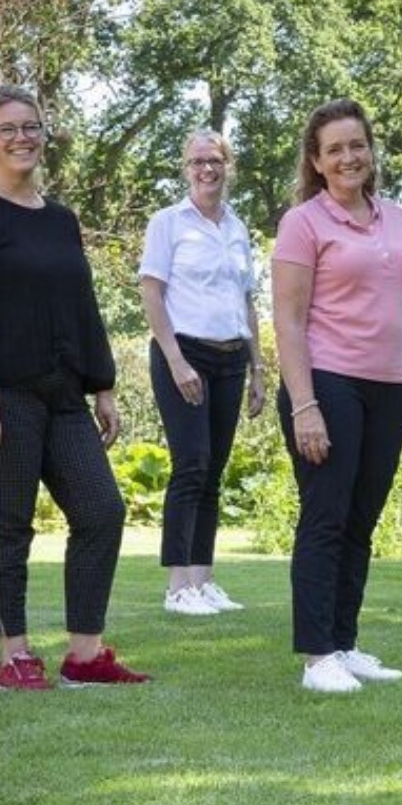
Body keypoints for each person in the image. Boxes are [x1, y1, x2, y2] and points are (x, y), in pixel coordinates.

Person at [0, 84, 148, 690]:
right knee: (12, 520)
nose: (22, 137)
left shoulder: (60, 220)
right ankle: (14, 655)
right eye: (8, 129)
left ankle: (84, 654)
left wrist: (102, 384)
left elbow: (82, 303)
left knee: (102, 510)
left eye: (31, 126)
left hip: (63, 393)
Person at [272, 98, 402, 693]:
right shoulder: (304, 222)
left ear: (371, 150)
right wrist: (305, 404)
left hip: (390, 389)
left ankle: (344, 641)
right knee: (326, 517)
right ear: (316, 160)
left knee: (361, 522)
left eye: (356, 145)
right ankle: (317, 657)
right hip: (328, 382)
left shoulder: (396, 217)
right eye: (334, 148)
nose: (347, 157)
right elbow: (287, 320)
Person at [139, 131, 266, 617]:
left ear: (227, 166)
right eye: (197, 162)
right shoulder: (168, 223)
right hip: (184, 352)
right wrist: (175, 360)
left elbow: (247, 301)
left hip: (231, 356)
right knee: (190, 465)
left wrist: (257, 367)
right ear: (185, 168)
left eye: (214, 161)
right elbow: (152, 293)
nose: (206, 169)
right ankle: (177, 587)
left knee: (213, 470)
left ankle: (203, 580)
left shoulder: (237, 228)